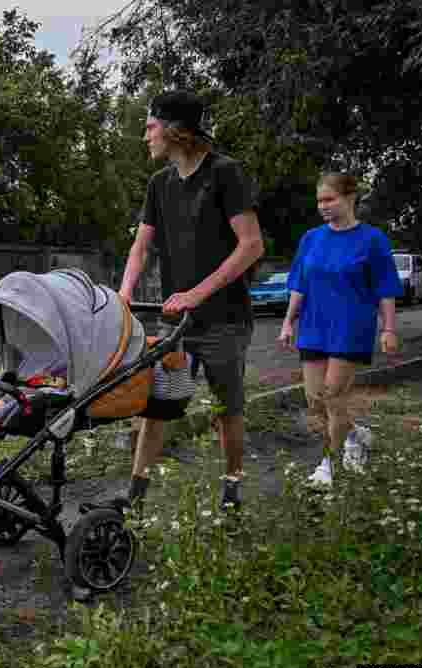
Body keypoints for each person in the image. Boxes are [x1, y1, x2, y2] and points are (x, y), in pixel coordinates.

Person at [116, 90, 264, 512]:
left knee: (226, 408)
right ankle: (137, 494)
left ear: (176, 132)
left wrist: (197, 293)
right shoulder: (159, 184)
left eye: (150, 127)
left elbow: (251, 245)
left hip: (225, 319)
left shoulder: (225, 174)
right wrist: (124, 293)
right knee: (156, 404)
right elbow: (140, 247)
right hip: (174, 321)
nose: (145, 135)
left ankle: (232, 485)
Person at [278, 173, 401, 487]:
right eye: (320, 201)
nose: (323, 206)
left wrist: (388, 328)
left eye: (329, 199)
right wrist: (288, 321)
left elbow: (385, 288)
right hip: (314, 326)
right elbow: (299, 284)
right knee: (315, 400)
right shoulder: (311, 238)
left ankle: (327, 465)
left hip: (351, 327)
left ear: (350, 198)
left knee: (333, 395)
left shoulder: (373, 239)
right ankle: (355, 434)